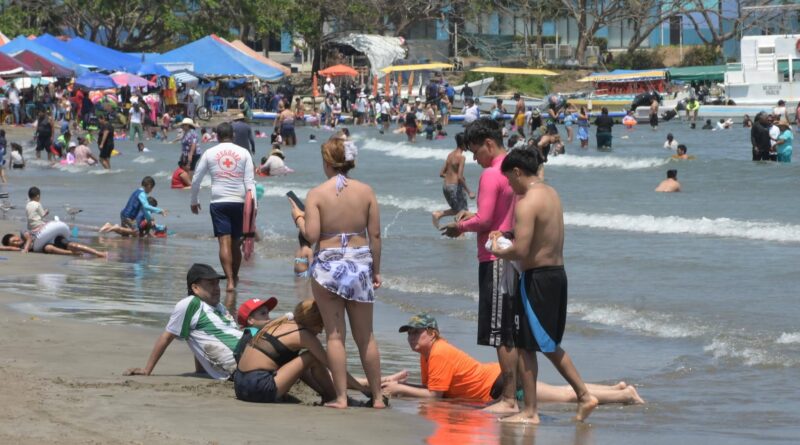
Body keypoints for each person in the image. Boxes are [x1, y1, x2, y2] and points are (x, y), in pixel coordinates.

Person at [488, 148, 599, 423]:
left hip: (537, 279)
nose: (510, 188)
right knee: (546, 344)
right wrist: (507, 235)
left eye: (509, 181)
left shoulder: (526, 202)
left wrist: (497, 249)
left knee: (529, 347)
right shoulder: (551, 194)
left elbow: (522, 250)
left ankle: (533, 411)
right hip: (557, 275)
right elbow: (539, 236)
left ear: (517, 172)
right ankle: (581, 397)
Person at [289, 135, 384, 409]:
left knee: (334, 335)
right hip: (359, 262)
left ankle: (341, 397)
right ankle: (378, 397)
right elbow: (375, 234)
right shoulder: (366, 191)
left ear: (328, 162)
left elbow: (312, 234)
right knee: (366, 335)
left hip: (329, 264)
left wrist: (298, 215)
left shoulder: (316, 194)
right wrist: (376, 270)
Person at [383, 313, 644, 405]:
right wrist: (399, 387)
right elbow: (434, 391)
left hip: (500, 385)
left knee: (564, 396)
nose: (411, 338)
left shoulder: (438, 352)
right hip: (496, 379)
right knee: (561, 391)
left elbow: (434, 397)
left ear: (433, 333)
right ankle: (614, 389)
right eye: (409, 334)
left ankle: (625, 396)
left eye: (417, 333)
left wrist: (399, 390)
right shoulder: (428, 352)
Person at [439, 118, 518, 414]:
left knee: (500, 333)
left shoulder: (491, 174)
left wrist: (459, 227)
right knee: (512, 330)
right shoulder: (516, 167)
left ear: (488, 143)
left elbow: (484, 220)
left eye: (475, 151)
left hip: (494, 257)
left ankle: (508, 400)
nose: (474, 159)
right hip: (514, 254)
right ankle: (516, 395)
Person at [235, 300, 369, 404]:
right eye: (321, 326)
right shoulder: (304, 335)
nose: (321, 331)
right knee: (312, 357)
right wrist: (363, 390)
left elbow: (301, 369)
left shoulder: (281, 323)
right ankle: (332, 396)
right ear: (313, 323)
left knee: (299, 361)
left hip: (240, 385)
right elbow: (335, 367)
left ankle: (328, 395)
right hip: (257, 389)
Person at [124, 264, 243, 379]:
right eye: (211, 283)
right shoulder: (190, 304)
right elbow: (166, 337)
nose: (217, 288)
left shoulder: (219, 306)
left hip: (246, 350)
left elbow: (205, 336)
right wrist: (147, 370)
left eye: (217, 283)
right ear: (195, 288)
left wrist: (201, 369)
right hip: (241, 358)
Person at [191, 122, 255, 292]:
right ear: (233, 136)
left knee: (224, 243)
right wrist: (254, 205)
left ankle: (229, 282)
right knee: (236, 244)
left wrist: (194, 200)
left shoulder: (209, 153)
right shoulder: (244, 153)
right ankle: (234, 276)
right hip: (240, 202)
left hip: (219, 202)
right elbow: (250, 182)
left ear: (217, 136)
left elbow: (196, 178)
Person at [432, 133, 475, 228]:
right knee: (463, 211)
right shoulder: (461, 157)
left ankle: (460, 234)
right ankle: (439, 214)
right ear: (463, 143)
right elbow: (459, 177)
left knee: (458, 210)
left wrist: (452, 176)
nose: (468, 146)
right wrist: (469, 192)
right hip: (455, 187)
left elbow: (441, 173)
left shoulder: (450, 155)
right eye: (467, 144)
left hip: (446, 186)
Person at [2, 228, 106, 257]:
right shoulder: (19, 247)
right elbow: (7, 248)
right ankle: (72, 253)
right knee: (48, 249)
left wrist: (26, 248)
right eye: (13, 243)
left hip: (53, 238)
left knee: (73, 245)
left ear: (14, 235)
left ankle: (98, 253)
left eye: (14, 240)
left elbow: (29, 238)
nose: (16, 242)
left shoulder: (23, 233)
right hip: (46, 246)